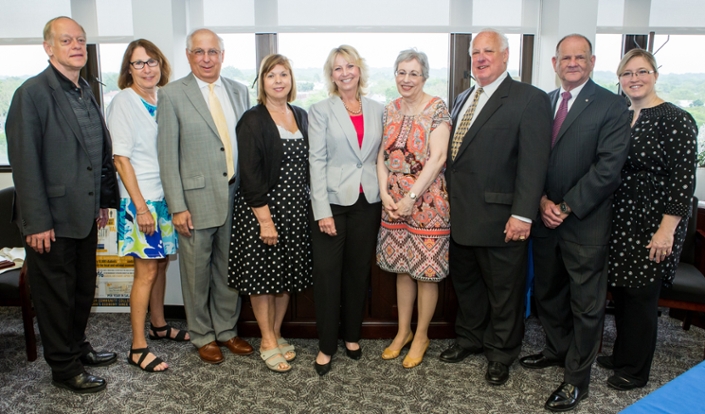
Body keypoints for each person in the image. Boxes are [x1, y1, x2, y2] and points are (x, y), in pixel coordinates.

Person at [5, 16, 119, 393]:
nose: (76, 46)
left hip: (84, 215)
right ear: (48, 47)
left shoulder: (85, 89)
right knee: (55, 296)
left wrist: (103, 201)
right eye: (66, 40)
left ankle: (76, 346)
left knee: (82, 289)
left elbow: (98, 152)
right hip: (49, 220)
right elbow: (24, 161)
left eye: (81, 40)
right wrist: (36, 221)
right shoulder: (32, 93)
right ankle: (63, 367)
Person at [518, 34, 630, 412]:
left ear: (592, 61)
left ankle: (576, 379)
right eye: (566, 58)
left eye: (580, 57)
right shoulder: (544, 103)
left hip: (585, 223)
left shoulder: (613, 105)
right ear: (554, 63)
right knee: (548, 293)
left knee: (586, 305)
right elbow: (532, 160)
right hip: (544, 219)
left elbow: (608, 170)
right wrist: (542, 201)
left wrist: (565, 207)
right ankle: (556, 349)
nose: (573, 63)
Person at [440, 28, 552, 387]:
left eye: (488, 51)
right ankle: (470, 340)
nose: (480, 58)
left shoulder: (528, 98)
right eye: (475, 52)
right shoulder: (462, 98)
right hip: (461, 216)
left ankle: (501, 353)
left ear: (506, 56)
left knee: (505, 292)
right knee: (468, 286)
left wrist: (522, 215)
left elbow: (534, 163)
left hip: (503, 219)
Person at [597, 48, 697, 391]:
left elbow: (683, 181)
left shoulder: (676, 119)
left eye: (641, 72)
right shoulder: (621, 115)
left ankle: (635, 370)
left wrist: (666, 231)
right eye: (627, 73)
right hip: (621, 219)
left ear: (655, 74)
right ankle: (623, 353)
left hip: (655, 223)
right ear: (620, 79)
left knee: (641, 297)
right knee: (623, 292)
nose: (634, 79)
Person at [157, 28, 253, 365]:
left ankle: (226, 330)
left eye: (212, 52)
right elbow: (167, 156)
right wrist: (178, 206)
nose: (206, 58)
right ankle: (202, 334)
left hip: (235, 196)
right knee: (196, 273)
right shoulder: (171, 94)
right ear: (188, 55)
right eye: (199, 52)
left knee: (230, 269)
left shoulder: (240, 91)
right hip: (194, 203)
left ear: (223, 55)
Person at [107, 39, 188, 373]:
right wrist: (140, 208)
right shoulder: (124, 102)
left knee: (162, 265)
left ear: (161, 65)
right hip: (141, 200)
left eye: (152, 61)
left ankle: (158, 324)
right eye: (139, 63)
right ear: (129, 69)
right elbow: (120, 159)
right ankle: (138, 347)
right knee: (146, 271)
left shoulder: (162, 97)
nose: (147, 68)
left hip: (164, 197)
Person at [228, 54, 312, 373]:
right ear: (261, 82)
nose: (278, 80)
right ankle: (266, 340)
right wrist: (265, 220)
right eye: (271, 75)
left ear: (291, 80)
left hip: (295, 212)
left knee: (285, 277)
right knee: (263, 278)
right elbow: (249, 174)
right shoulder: (252, 119)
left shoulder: (301, 115)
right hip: (262, 211)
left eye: (284, 74)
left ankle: (276, 334)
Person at [308, 45, 384, 376]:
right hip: (333, 205)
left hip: (368, 203)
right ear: (331, 75)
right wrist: (321, 209)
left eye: (349, 66)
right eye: (337, 68)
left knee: (357, 273)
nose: (345, 73)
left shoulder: (379, 109)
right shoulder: (320, 110)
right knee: (327, 275)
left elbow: (381, 155)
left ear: (359, 70)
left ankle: (352, 335)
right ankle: (326, 345)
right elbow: (317, 160)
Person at [376, 49, 451, 369]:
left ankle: (421, 335)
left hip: (427, 201)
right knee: (403, 270)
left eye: (413, 74)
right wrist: (384, 194)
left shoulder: (437, 108)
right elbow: (379, 156)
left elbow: (438, 158)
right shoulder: (389, 109)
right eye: (401, 72)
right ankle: (403, 331)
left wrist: (411, 197)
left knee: (426, 273)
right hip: (393, 202)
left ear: (424, 77)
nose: (406, 79)